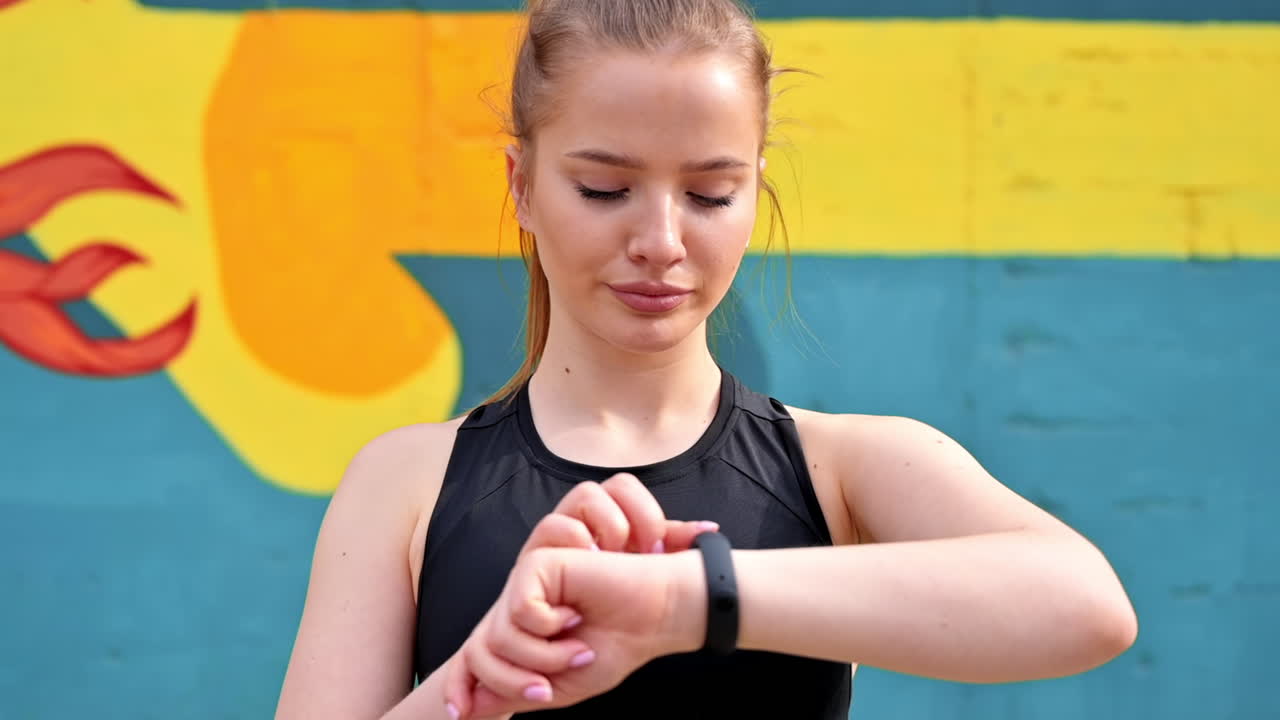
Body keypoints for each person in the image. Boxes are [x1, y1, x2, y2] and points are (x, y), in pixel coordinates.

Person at [275, 1, 1138, 718]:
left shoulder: (838, 467)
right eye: (604, 189)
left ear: (755, 192)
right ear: (522, 187)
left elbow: (1087, 605)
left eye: (709, 194)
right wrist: (482, 679)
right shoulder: (404, 482)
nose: (659, 240)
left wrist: (687, 604)